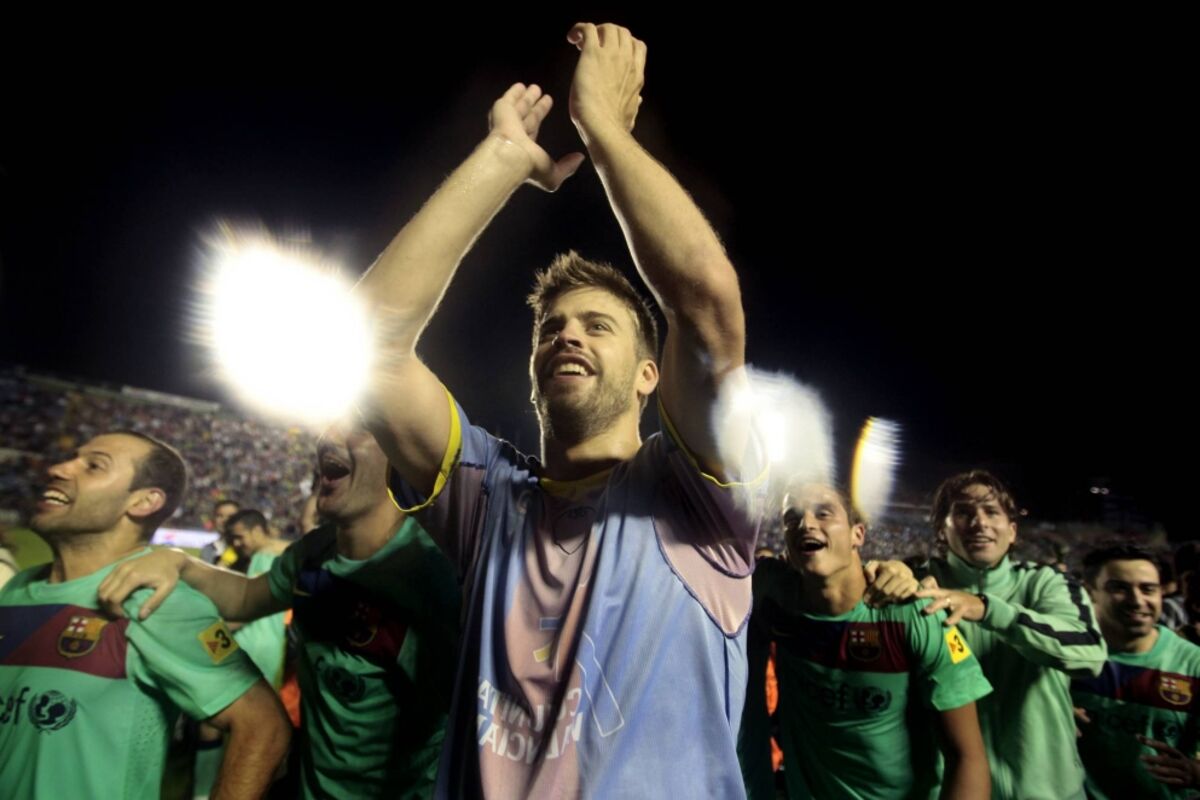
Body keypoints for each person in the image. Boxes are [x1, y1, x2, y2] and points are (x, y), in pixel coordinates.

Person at [353, 22, 767, 798]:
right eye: (551, 328)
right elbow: (368, 347)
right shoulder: (489, 499)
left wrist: (603, 129)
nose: (567, 335)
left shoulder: (697, 495)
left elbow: (706, 298)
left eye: (597, 326)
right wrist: (503, 158)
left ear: (650, 377)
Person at [99, 423, 460, 798]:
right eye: (329, 426)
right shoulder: (314, 552)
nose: (328, 437)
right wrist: (180, 563)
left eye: (354, 428)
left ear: (399, 454)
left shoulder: (435, 570)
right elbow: (245, 597)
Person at [0, 431, 289, 799]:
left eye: (93, 465)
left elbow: (263, 725)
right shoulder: (18, 588)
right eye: (71, 457)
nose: (58, 468)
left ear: (143, 501)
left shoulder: (156, 601)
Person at [748, 483, 991, 799]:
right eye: (791, 518)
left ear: (858, 534)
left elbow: (968, 758)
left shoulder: (916, 612)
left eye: (823, 513)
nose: (805, 523)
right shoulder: (772, 594)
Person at [915, 469, 1106, 799]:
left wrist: (989, 610)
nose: (979, 522)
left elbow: (1089, 653)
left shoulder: (1046, 582)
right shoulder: (918, 586)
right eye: (963, 512)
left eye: (992, 512)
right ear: (942, 531)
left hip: (1049, 792)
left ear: (1013, 531)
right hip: (953, 791)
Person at [1072, 543, 1200, 798]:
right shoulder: (1061, 658)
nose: (1137, 600)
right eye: (1119, 588)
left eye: (1148, 589)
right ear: (1089, 592)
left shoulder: (1192, 663)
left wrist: (1196, 773)